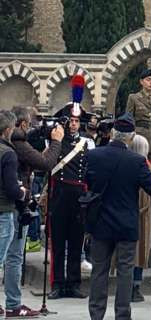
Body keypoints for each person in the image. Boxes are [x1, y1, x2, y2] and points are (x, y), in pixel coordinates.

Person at [87, 113, 151, 320]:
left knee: (99, 270)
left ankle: (96, 314)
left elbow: (87, 182)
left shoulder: (94, 156)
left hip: (100, 221)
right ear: (131, 137)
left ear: (112, 134)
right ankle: (122, 314)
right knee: (125, 271)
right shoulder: (137, 161)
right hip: (126, 224)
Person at [4, 106, 63, 318]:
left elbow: (36, 159)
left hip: (12, 206)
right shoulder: (18, 143)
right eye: (30, 123)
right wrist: (56, 141)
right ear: (22, 125)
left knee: (11, 256)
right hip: (15, 206)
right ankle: (13, 304)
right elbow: (46, 163)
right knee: (13, 256)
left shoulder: (13, 143)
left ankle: (12, 302)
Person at [48, 100, 94, 300]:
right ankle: (58, 284)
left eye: (77, 121)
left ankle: (74, 283)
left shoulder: (87, 143)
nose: (74, 124)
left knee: (76, 242)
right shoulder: (55, 141)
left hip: (78, 196)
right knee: (58, 242)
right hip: (58, 195)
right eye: (71, 120)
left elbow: (90, 171)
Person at [0, 111, 27, 316]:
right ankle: (12, 304)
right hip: (4, 211)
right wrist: (21, 191)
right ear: (8, 130)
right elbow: (11, 189)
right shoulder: (8, 153)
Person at [130, 135, 151, 303]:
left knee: (128, 252)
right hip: (143, 216)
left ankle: (127, 285)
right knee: (140, 252)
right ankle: (136, 287)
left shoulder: (124, 165)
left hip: (126, 213)